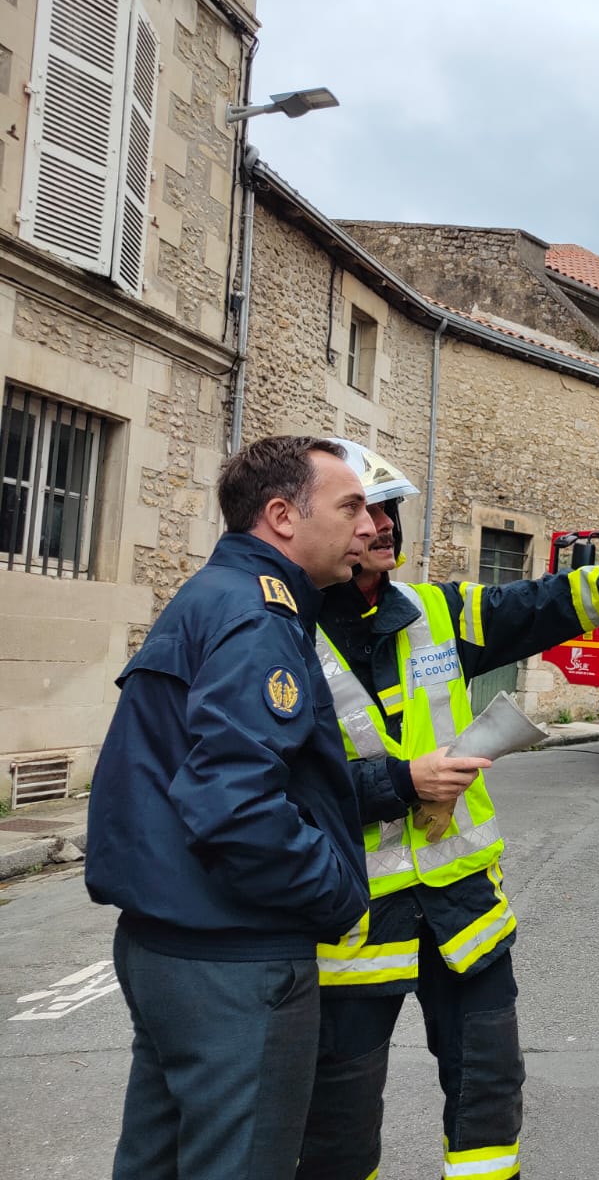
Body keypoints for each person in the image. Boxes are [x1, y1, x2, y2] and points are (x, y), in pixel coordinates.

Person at [297, 440, 599, 1180]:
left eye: (392, 507)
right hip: (356, 920)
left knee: (489, 1095)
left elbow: (540, 606)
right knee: (338, 1120)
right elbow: (290, 784)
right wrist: (400, 784)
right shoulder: (284, 636)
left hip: (466, 914)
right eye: (364, 509)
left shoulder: (434, 610)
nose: (385, 524)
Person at [85, 436, 375, 1180]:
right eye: (351, 507)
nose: (369, 527)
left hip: (167, 944)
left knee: (158, 1163)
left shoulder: (214, 595)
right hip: (233, 961)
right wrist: (334, 892)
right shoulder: (258, 616)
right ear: (282, 516)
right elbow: (238, 805)